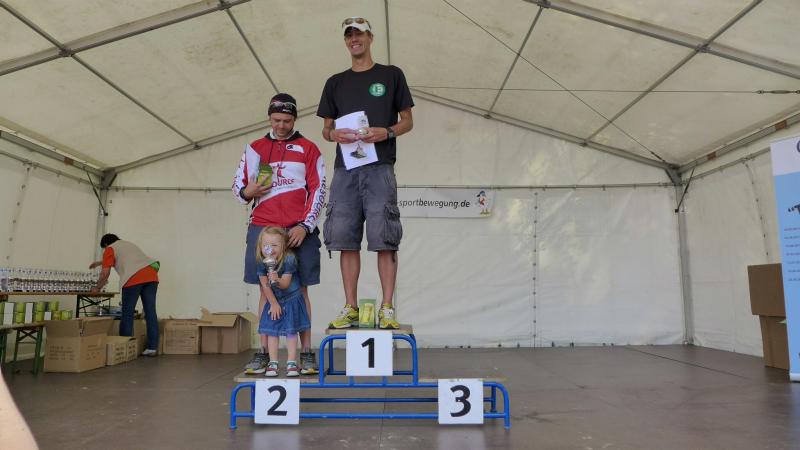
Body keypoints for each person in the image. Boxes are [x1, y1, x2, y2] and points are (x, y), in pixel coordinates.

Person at [317, 17, 414, 329]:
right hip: (345, 169)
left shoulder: (391, 75)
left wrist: (386, 131)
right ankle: (351, 307)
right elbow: (326, 129)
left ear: (370, 37)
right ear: (345, 41)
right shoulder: (335, 82)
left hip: (380, 167)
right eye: (349, 35)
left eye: (359, 33)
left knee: (385, 237)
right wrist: (334, 135)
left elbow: (407, 121)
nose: (354, 39)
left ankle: (387, 308)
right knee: (345, 239)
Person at [232, 93, 325, 375]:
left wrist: (305, 225)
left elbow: (319, 189)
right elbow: (237, 189)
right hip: (263, 227)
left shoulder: (309, 148)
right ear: (269, 118)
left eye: (286, 120)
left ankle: (306, 354)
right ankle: (264, 354)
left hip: (298, 228)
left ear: (294, 119)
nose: (281, 126)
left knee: (301, 289)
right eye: (276, 120)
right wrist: (248, 191)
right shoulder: (255, 148)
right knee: (265, 287)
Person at [90, 234, 159, 356]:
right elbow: (128, 259)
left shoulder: (110, 248)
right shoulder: (127, 244)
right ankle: (152, 348)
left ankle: (125, 347)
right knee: (150, 312)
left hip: (133, 278)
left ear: (106, 244)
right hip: (151, 275)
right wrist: (100, 262)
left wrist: (97, 287)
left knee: (127, 313)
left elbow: (105, 273)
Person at [254, 227, 310, 377]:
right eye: (266, 245)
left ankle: (291, 362)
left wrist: (276, 279)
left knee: (291, 331)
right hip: (274, 301)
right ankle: (273, 362)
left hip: (291, 299)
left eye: (275, 245)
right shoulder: (261, 262)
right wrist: (273, 303)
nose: (270, 249)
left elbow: (285, 283)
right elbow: (265, 285)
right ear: (260, 246)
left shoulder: (289, 259)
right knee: (272, 331)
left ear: (283, 246)